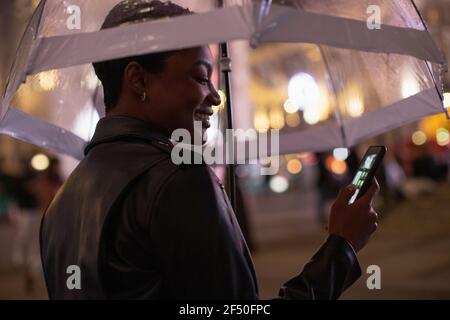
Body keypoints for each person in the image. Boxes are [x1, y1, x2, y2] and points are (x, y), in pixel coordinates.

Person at [40, 0, 379, 300]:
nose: (216, 97)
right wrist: (341, 247)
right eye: (202, 78)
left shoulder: (62, 202)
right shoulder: (177, 179)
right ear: (139, 80)